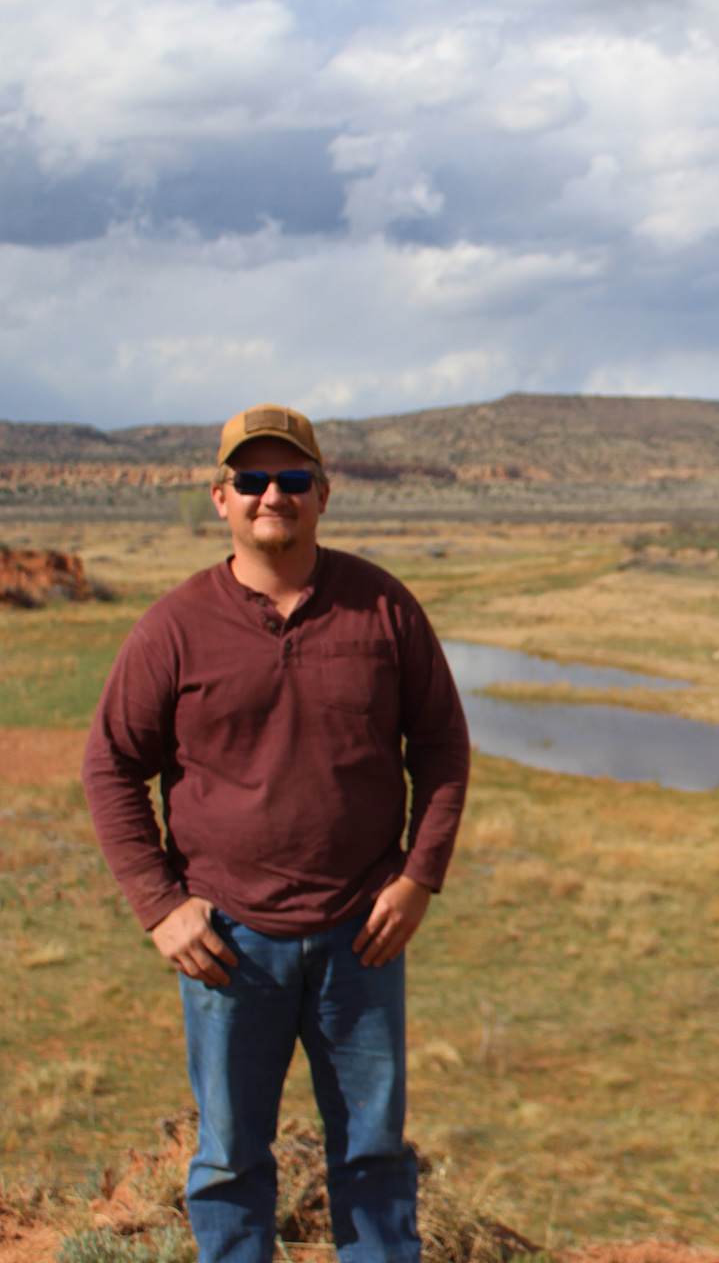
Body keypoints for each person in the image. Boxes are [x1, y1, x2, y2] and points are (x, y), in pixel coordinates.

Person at [82, 403, 470, 1263]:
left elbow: (441, 744)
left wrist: (419, 876)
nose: (272, 496)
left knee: (372, 1154)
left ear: (323, 495)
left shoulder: (383, 608)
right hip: (228, 942)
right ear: (219, 498)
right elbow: (110, 766)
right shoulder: (175, 627)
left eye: (292, 480)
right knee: (229, 1161)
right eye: (251, 480)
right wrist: (160, 906)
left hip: (360, 936)